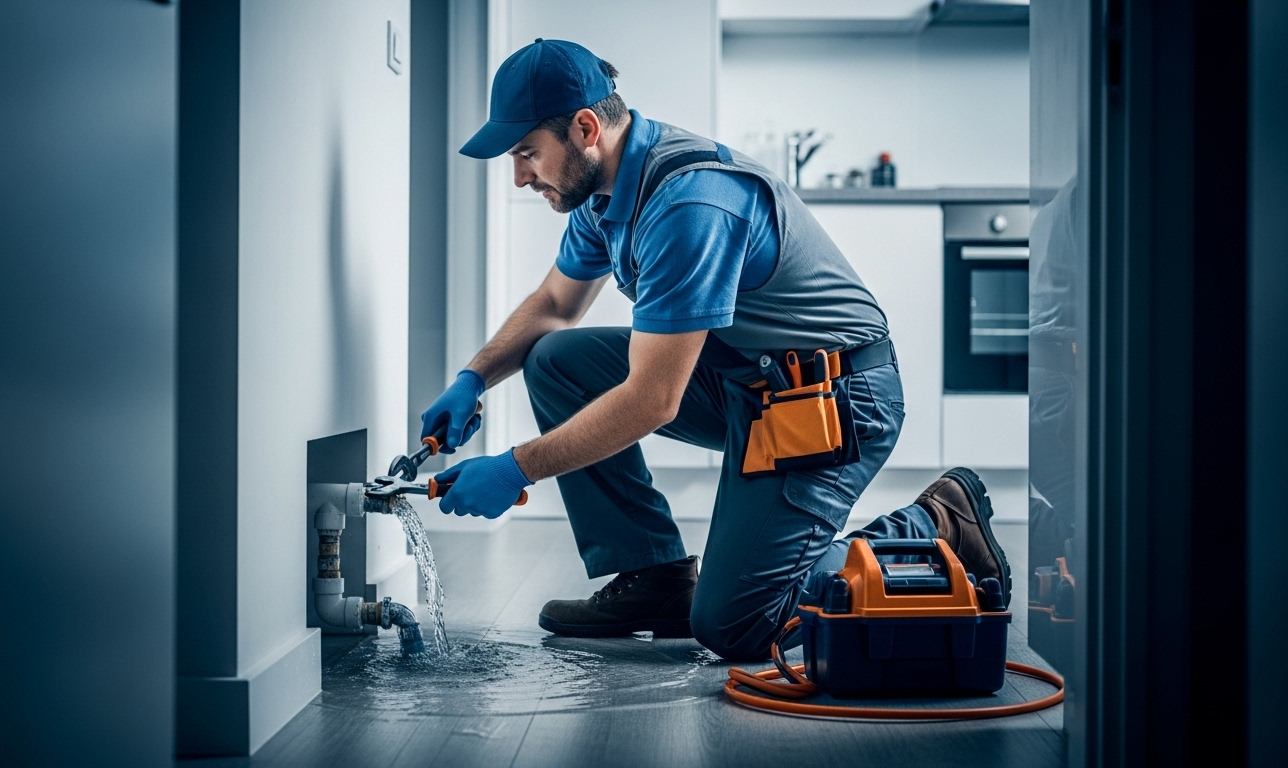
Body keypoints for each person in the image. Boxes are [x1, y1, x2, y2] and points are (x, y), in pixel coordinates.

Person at [421, 39, 1010, 661]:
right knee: (555, 362)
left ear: (585, 128)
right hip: (749, 383)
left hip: (835, 400)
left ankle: (936, 520)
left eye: (526, 154)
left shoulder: (687, 204)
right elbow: (555, 304)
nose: (519, 177)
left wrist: (516, 468)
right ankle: (655, 579)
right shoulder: (603, 193)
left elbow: (652, 400)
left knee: (737, 626)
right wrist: (472, 378)